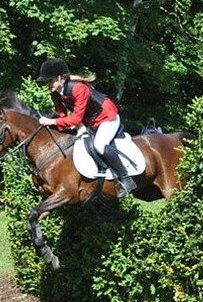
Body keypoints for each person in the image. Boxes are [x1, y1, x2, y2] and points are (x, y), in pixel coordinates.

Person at [36, 57, 137, 199]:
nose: (47, 84)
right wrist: (58, 124)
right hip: (90, 121)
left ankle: (126, 179)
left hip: (107, 117)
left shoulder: (78, 88)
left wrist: (52, 122)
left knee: (100, 145)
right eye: (46, 81)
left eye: (50, 80)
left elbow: (76, 118)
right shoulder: (55, 92)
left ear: (60, 77)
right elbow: (62, 113)